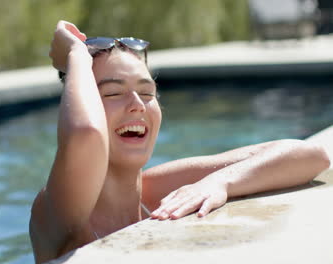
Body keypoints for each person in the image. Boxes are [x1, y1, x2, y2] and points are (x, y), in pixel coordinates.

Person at [29, 20, 330, 263]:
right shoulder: (57, 209)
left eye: (147, 93)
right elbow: (86, 134)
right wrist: (75, 56)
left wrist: (220, 182)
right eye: (112, 93)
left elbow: (310, 155)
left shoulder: (152, 192)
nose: (137, 104)